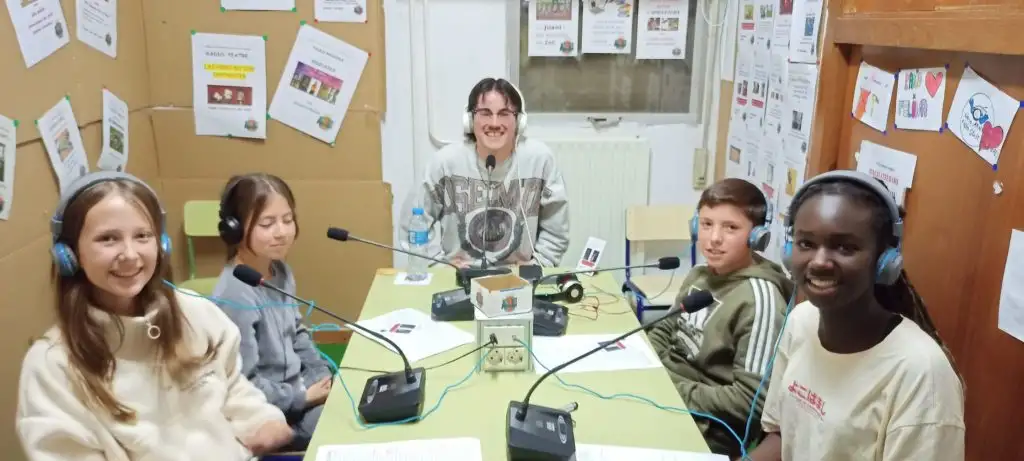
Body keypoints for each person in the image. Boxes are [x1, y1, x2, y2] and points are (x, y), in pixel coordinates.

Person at [17, 171, 293, 460]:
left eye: (142, 236)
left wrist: (260, 420)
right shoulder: (51, 366)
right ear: (69, 254)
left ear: (161, 244)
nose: (130, 254)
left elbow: (233, 385)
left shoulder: (195, 314)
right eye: (108, 239)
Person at [751, 170, 965, 461]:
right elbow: (781, 435)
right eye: (806, 244)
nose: (819, 262)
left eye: (845, 247)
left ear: (884, 260)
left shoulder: (922, 374)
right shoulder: (801, 321)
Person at [647, 178, 792, 457]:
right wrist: (648, 373)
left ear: (757, 237)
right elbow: (663, 331)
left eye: (731, 228)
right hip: (668, 394)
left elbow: (750, 401)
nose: (714, 238)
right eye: (706, 224)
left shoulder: (759, 299)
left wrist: (672, 388)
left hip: (708, 427)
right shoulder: (699, 275)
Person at [211, 173, 333, 451]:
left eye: (287, 220)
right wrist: (304, 397)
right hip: (270, 414)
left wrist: (322, 377)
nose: (281, 232)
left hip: (299, 392)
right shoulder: (235, 294)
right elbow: (244, 383)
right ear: (234, 229)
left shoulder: (279, 270)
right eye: (267, 224)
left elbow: (297, 334)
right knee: (339, 424)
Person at [403, 77, 570, 269]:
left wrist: (536, 266)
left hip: (519, 278)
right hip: (459, 276)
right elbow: (413, 224)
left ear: (519, 121)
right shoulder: (444, 163)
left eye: (504, 113)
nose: (494, 123)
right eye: (485, 113)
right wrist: (440, 266)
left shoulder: (539, 160)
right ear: (469, 120)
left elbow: (556, 230)